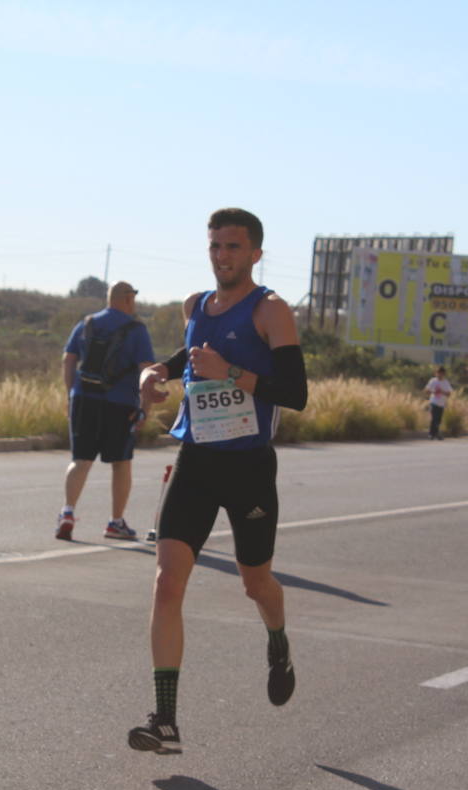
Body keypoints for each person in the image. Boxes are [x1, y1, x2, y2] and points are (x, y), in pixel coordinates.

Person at [126, 208, 308, 754]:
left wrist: (229, 373)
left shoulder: (271, 310)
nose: (221, 256)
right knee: (166, 583)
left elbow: (293, 393)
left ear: (255, 253)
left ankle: (278, 640)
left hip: (248, 466)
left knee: (256, 584)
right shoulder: (196, 307)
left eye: (232, 247)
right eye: (214, 247)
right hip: (197, 460)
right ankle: (166, 720)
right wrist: (152, 374)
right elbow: (189, 359)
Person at [57, 282, 155, 540]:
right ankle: (115, 522)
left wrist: (71, 394)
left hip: (84, 399)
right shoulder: (137, 330)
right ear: (127, 299)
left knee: (81, 459)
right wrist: (145, 408)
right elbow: (147, 370)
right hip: (120, 402)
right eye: (133, 297)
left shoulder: (86, 323)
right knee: (121, 462)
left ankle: (67, 512)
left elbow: (68, 359)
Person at [424, 366, 452, 440]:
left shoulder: (446, 382)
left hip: (441, 404)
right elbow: (426, 391)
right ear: (436, 373)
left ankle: (436, 434)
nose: (439, 375)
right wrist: (433, 391)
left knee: (438, 420)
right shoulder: (433, 381)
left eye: (441, 374)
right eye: (438, 373)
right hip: (433, 402)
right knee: (434, 418)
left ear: (444, 374)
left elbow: (449, 394)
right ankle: (431, 434)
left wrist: (442, 391)